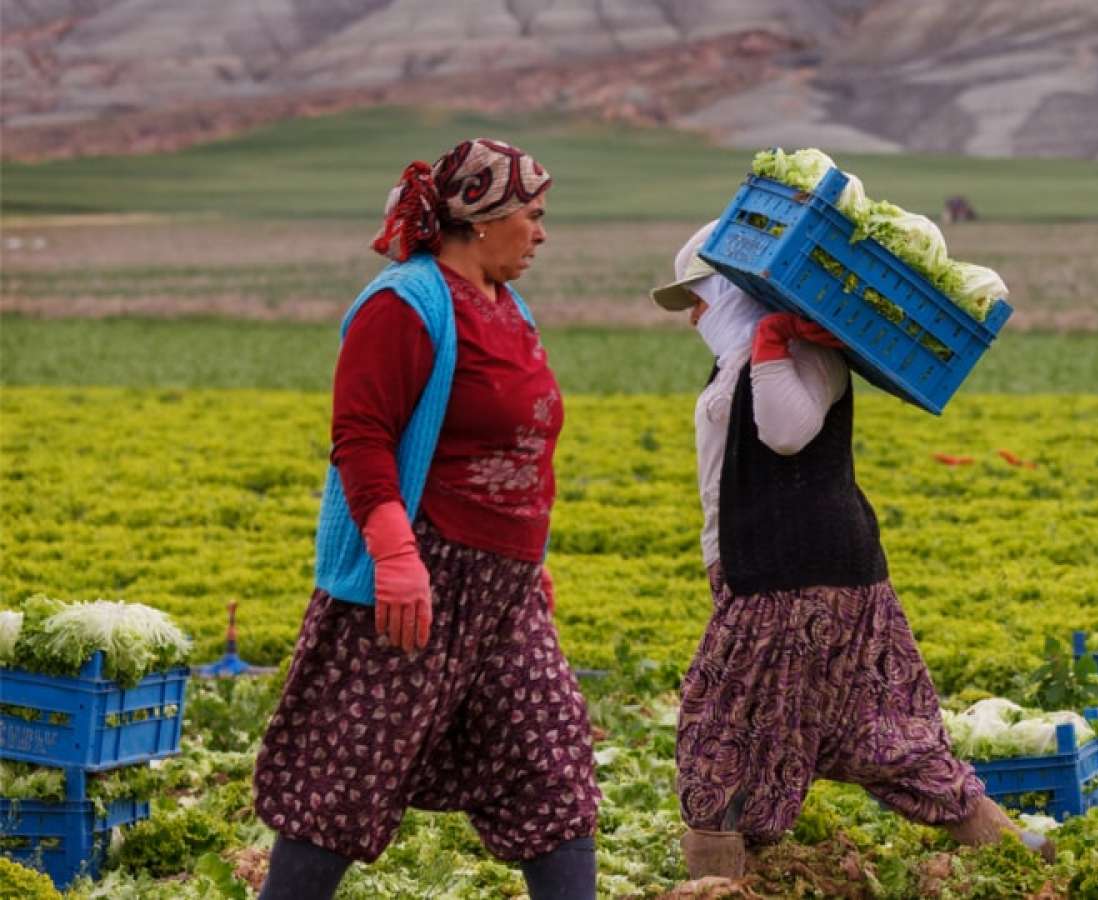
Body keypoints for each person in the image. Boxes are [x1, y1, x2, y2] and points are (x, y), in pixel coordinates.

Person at [649, 223, 1049, 879]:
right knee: (877, 725)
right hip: (826, 568)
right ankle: (1011, 849)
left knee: (718, 724)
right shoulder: (749, 356)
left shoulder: (792, 350)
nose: (692, 315)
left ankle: (715, 882)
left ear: (727, 290)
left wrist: (773, 340)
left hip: (791, 575)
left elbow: (784, 432)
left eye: (697, 296)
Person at [253, 138, 598, 899]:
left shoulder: (508, 305)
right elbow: (362, 436)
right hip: (417, 583)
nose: (541, 233)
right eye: (532, 216)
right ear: (482, 218)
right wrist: (396, 559)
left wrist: (527, 566)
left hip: (502, 595)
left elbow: (515, 446)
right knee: (343, 774)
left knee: (554, 765)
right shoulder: (404, 303)